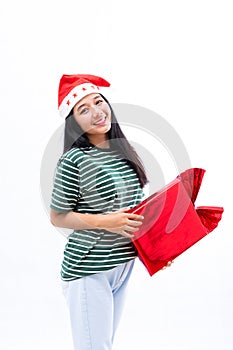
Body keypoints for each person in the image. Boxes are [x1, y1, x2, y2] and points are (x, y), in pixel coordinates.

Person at [50, 74, 148, 350]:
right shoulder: (74, 160)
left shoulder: (122, 152)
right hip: (89, 268)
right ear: (73, 122)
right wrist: (107, 222)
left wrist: (156, 250)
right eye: (83, 109)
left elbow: (134, 213)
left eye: (98, 101)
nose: (97, 111)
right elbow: (58, 216)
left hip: (121, 266)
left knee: (102, 344)